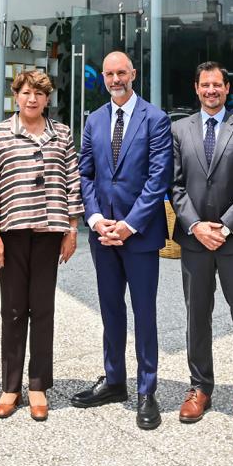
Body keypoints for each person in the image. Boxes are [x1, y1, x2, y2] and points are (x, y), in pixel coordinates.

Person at [70, 51, 173, 430]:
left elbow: (159, 178)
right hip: (103, 235)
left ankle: (147, 390)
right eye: (110, 74)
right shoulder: (94, 120)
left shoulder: (156, 119)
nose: (116, 79)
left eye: (121, 73)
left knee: (144, 313)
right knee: (110, 309)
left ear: (133, 74)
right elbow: (85, 174)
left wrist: (129, 225)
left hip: (139, 235)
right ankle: (114, 380)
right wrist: (96, 219)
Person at [0, 69, 81, 420]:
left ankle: (37, 385)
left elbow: (73, 182)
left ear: (47, 98)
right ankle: (10, 386)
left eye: (39, 93)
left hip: (50, 231)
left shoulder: (61, 134)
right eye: (25, 92)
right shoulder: (0, 133)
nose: (32, 99)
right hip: (11, 232)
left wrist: (72, 230)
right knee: (13, 310)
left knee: (43, 308)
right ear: (16, 96)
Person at [170, 61, 233, 432]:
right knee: (197, 315)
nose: (211, 90)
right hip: (194, 241)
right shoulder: (179, 130)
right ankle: (199, 387)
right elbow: (175, 185)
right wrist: (196, 226)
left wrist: (224, 228)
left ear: (227, 89)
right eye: (205, 85)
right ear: (196, 88)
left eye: (217, 85)